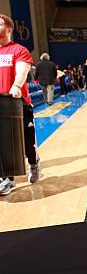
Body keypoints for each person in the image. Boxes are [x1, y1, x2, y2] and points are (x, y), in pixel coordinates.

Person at [0, 14, 41, 195]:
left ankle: (33, 162)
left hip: (17, 103)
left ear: (8, 28)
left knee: (26, 142)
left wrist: (16, 85)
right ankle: (7, 179)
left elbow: (22, 71)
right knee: (4, 143)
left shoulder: (19, 50)